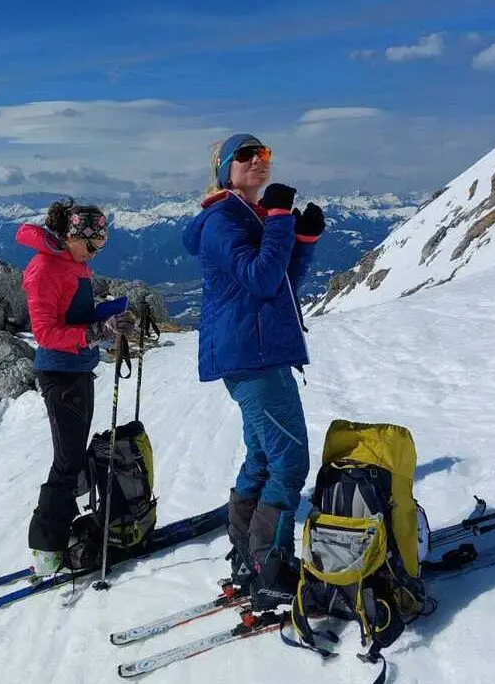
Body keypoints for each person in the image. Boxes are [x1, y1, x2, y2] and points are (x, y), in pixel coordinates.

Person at [181, 133, 326, 609]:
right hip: (253, 355)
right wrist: (283, 219)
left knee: (264, 459)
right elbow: (260, 278)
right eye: (246, 156)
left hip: (257, 351)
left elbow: (282, 282)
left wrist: (301, 240)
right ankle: (271, 565)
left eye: (264, 155)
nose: (258, 162)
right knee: (290, 461)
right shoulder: (223, 220)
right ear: (225, 169)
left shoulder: (250, 216)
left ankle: (247, 556)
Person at [18, 198, 136, 575]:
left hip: (78, 369)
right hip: (60, 373)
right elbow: (46, 333)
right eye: (92, 242)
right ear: (72, 234)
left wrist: (110, 314)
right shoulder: (44, 269)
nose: (96, 251)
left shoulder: (74, 264)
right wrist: (96, 331)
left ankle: (64, 534)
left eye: (102, 242)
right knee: (67, 462)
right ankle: (46, 549)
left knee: (74, 456)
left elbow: (77, 314)